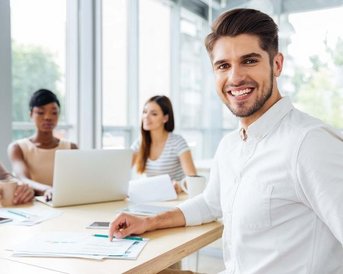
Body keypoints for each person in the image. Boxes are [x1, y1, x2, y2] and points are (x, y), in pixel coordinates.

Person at [109, 8, 343, 273]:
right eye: (223, 66)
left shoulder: (310, 144)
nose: (235, 77)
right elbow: (211, 203)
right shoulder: (231, 145)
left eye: (250, 61)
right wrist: (148, 222)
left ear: (277, 64)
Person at [8, 89, 78, 198]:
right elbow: (23, 179)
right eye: (41, 112)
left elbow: (76, 181)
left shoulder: (71, 147)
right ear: (31, 114)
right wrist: (48, 189)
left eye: (54, 113)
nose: (48, 117)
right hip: (32, 205)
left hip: (64, 203)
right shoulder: (17, 148)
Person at [131, 95, 196, 193]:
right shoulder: (139, 143)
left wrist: (179, 185)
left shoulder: (177, 142)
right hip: (152, 196)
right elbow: (121, 172)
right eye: (144, 112)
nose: (146, 117)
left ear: (165, 118)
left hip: (174, 199)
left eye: (154, 114)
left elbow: (193, 178)